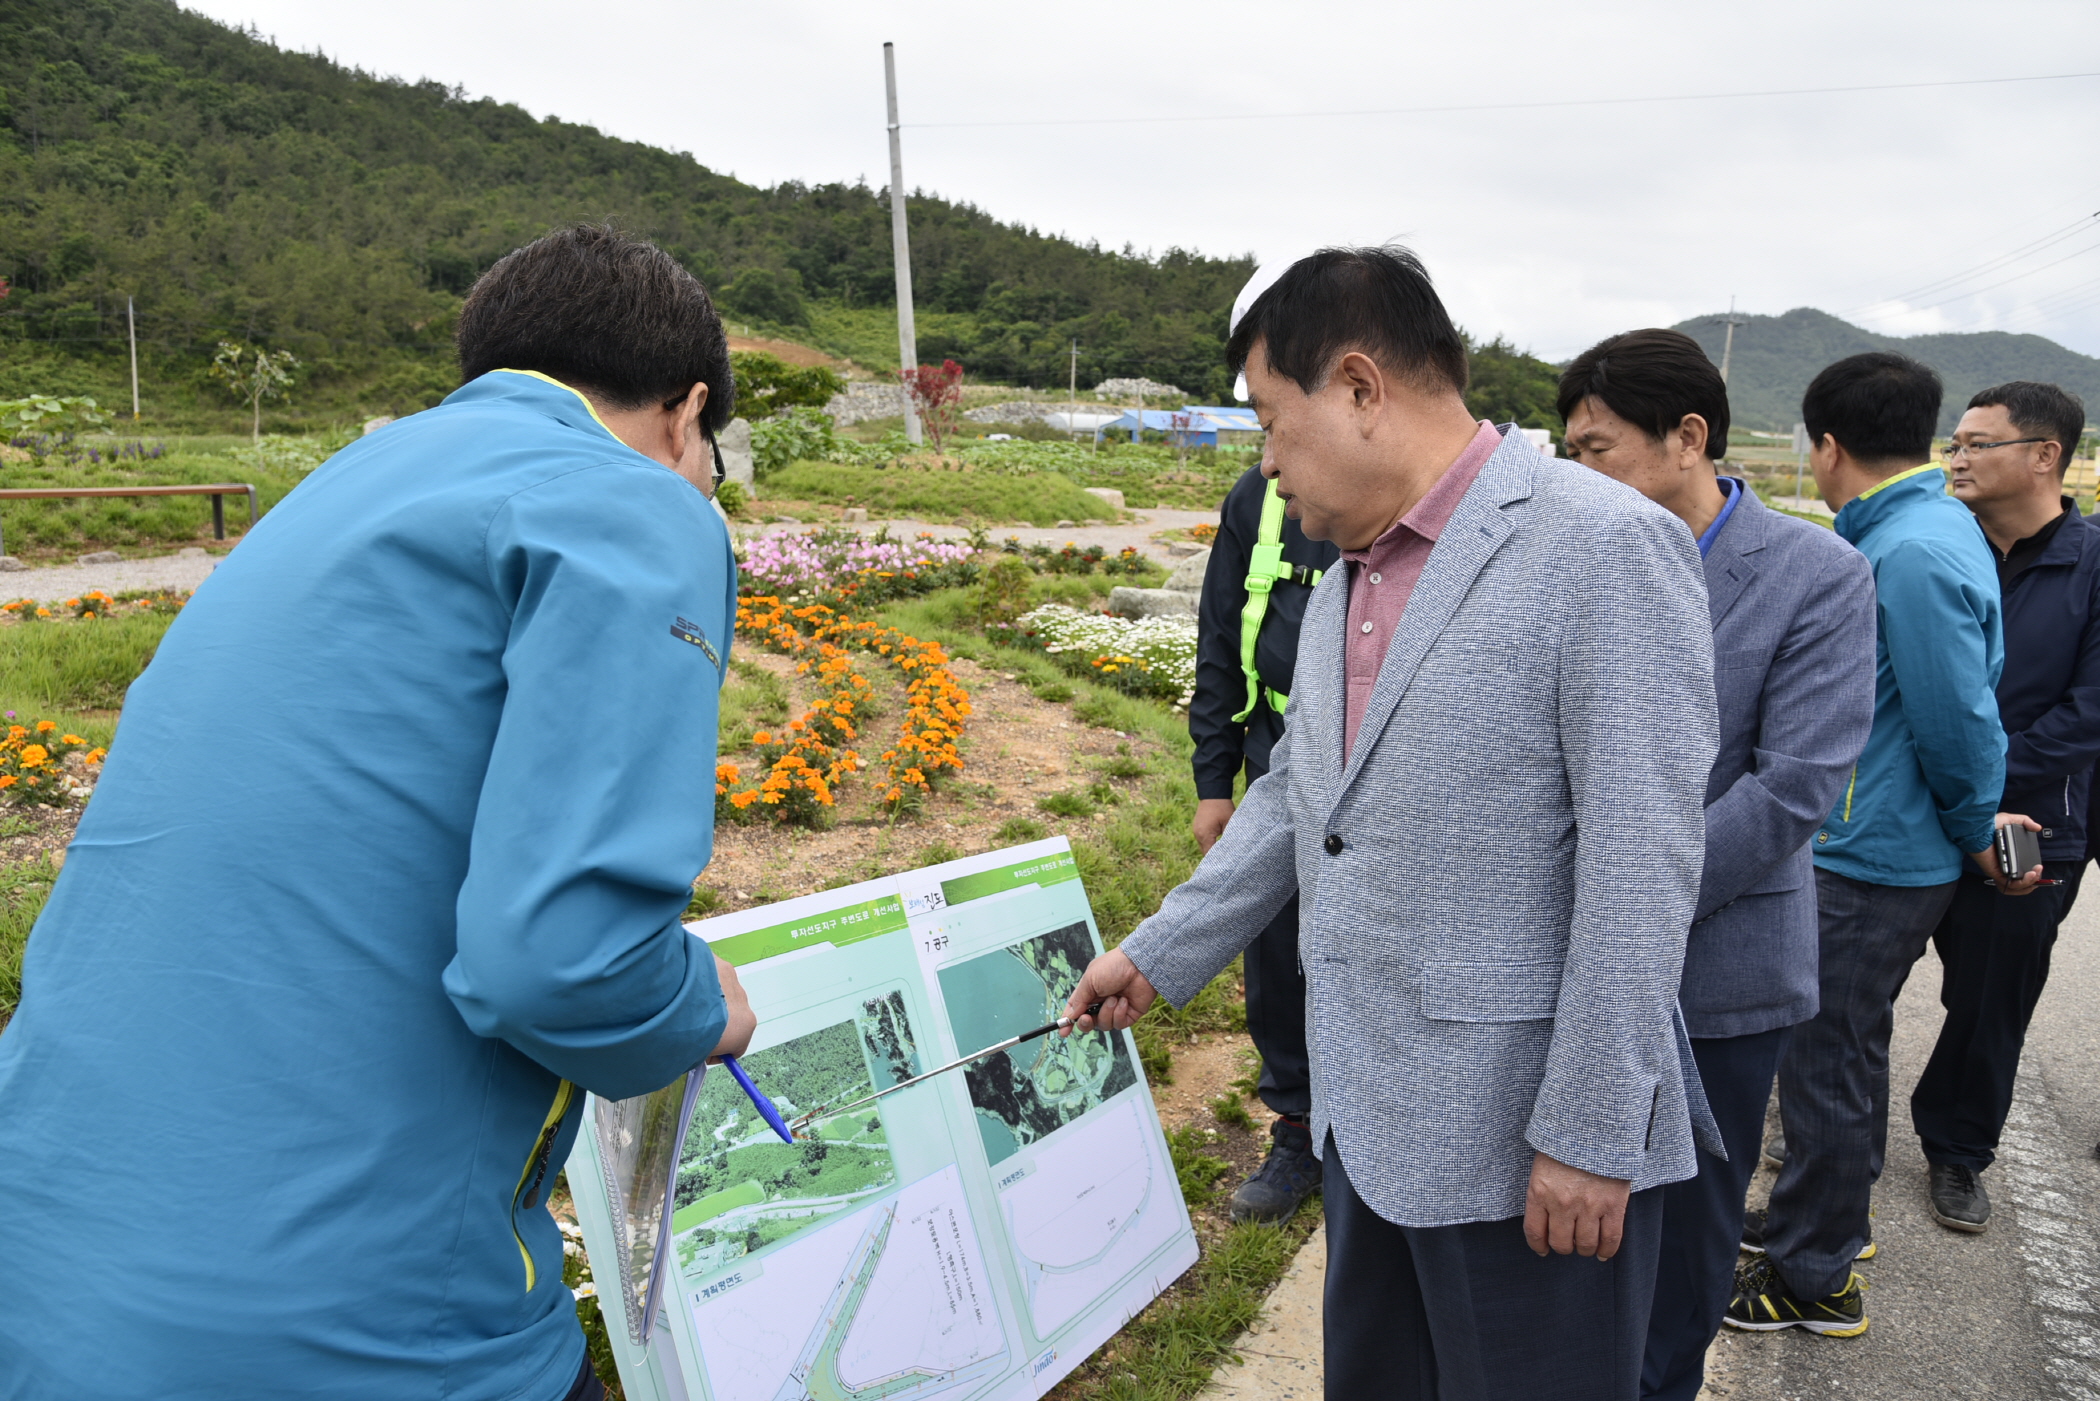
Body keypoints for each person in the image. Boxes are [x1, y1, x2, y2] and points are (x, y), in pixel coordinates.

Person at [0, 225, 757, 1401]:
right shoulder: (633, 503)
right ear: (685, 410)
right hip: (338, 1330)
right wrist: (699, 1008)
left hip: (49, 1266)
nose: (706, 478)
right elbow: (562, 965)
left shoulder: (347, 487)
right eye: (711, 451)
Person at [1064, 246, 1722, 1401]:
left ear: (1361, 389)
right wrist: (1161, 953)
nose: (1266, 464)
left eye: (1271, 421)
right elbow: (1299, 796)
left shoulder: (1602, 547)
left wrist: (1590, 1133)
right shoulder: (1348, 574)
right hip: (1368, 1121)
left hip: (1527, 1151)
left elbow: (1642, 864)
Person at [1557, 329, 1877, 1399]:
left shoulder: (1815, 575)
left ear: (1687, 438)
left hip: (1721, 970)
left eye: (1597, 449)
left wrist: (1628, 906)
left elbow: (1792, 789)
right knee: (1570, 1225)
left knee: (1685, 1245)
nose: (1579, 474)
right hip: (1570, 960)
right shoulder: (1578, 559)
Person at [1727, 351, 2036, 1339]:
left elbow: (1959, 720)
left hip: (1876, 853)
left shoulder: (1905, 551)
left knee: (1826, 1057)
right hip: (1883, 839)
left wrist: (1969, 830)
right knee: (1845, 1048)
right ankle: (1829, 1218)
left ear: (1826, 446)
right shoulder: (1927, 528)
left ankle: (1814, 1276)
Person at [1910, 381, 2098, 1229]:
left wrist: (1980, 777)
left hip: (2033, 826)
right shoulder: (1942, 547)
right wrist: (1954, 784)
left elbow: (2088, 711)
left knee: (1992, 996)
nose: (1956, 457)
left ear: (2044, 455)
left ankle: (1957, 1149)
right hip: (1920, 808)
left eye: (1978, 443)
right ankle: (1824, 1133)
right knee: (1852, 983)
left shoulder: (2091, 564)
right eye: (1953, 441)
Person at [1190, 267, 1342, 1224]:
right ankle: (1297, 1125)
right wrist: (1215, 779)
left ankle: (1360, 1118)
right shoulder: (1259, 497)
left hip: (1372, 755)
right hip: (1274, 750)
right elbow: (1218, 633)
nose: (1271, 457)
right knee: (1276, 949)